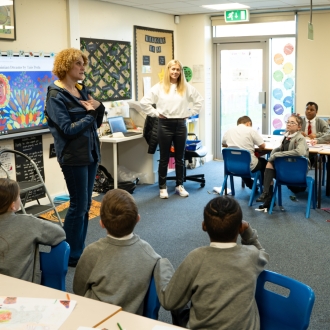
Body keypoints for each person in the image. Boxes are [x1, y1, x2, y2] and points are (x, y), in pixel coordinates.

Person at [154, 196, 268, 329]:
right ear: (240, 227)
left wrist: (162, 264)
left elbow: (169, 302)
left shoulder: (196, 257)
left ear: (204, 226)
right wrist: (247, 231)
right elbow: (262, 251)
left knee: (179, 302)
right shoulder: (251, 255)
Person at [45, 48, 105, 267]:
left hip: (90, 153)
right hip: (73, 156)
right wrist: (90, 113)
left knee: (86, 205)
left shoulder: (82, 90)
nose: (83, 68)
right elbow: (68, 129)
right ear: (66, 66)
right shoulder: (55, 95)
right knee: (78, 205)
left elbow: (95, 123)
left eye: (83, 64)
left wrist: (99, 109)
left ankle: (78, 249)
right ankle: (69, 254)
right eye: (78, 64)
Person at [73, 189, 169, 315]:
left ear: (101, 223)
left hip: (91, 317)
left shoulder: (91, 252)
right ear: (138, 219)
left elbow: (78, 289)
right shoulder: (150, 254)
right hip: (129, 322)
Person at [140, 59, 204, 199]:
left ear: (181, 72)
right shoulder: (159, 87)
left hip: (181, 125)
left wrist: (190, 112)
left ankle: (179, 186)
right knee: (164, 158)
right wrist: (156, 113)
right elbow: (144, 103)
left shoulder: (186, 87)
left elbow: (199, 100)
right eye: (173, 69)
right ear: (168, 70)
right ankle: (162, 187)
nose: (175, 72)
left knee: (180, 158)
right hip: (165, 125)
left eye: (178, 69)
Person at [0, 178, 66, 283]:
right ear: (13, 205)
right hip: (23, 291)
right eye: (18, 197)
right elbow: (60, 234)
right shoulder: (28, 223)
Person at [257, 114, 309, 209]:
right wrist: (274, 152)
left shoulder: (300, 138)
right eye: (288, 122)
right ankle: (266, 195)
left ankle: (267, 196)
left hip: (297, 172)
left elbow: (300, 151)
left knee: (270, 165)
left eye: (292, 122)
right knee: (270, 164)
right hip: (286, 169)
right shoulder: (286, 136)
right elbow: (281, 149)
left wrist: (277, 155)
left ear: (299, 127)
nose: (289, 124)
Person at [222, 115, 267, 189]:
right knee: (265, 163)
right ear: (248, 123)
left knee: (242, 161)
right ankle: (265, 189)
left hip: (231, 166)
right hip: (248, 166)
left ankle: (251, 185)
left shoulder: (229, 130)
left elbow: (224, 144)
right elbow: (262, 146)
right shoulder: (251, 130)